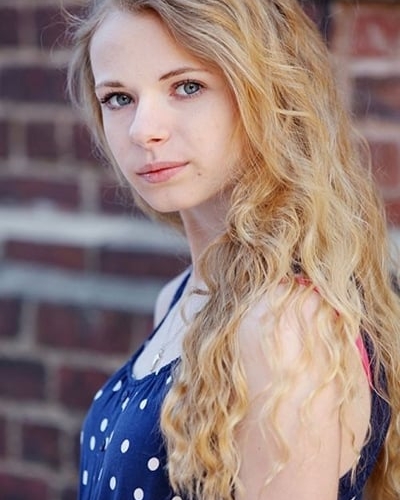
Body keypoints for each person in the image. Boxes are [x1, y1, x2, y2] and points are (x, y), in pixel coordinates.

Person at [66, 1, 400, 499]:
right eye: (118, 98)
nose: (143, 130)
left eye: (187, 87)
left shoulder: (283, 326)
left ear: (265, 92)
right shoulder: (179, 297)